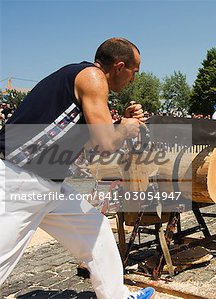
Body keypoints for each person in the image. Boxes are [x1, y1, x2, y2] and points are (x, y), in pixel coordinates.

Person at [0, 38, 155, 299]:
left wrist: (121, 122)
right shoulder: (93, 78)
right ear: (119, 66)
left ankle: (116, 295)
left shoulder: (84, 81)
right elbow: (107, 144)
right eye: (134, 73)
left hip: (47, 183)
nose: (133, 80)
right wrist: (125, 128)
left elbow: (95, 144)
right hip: (19, 178)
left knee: (95, 229)